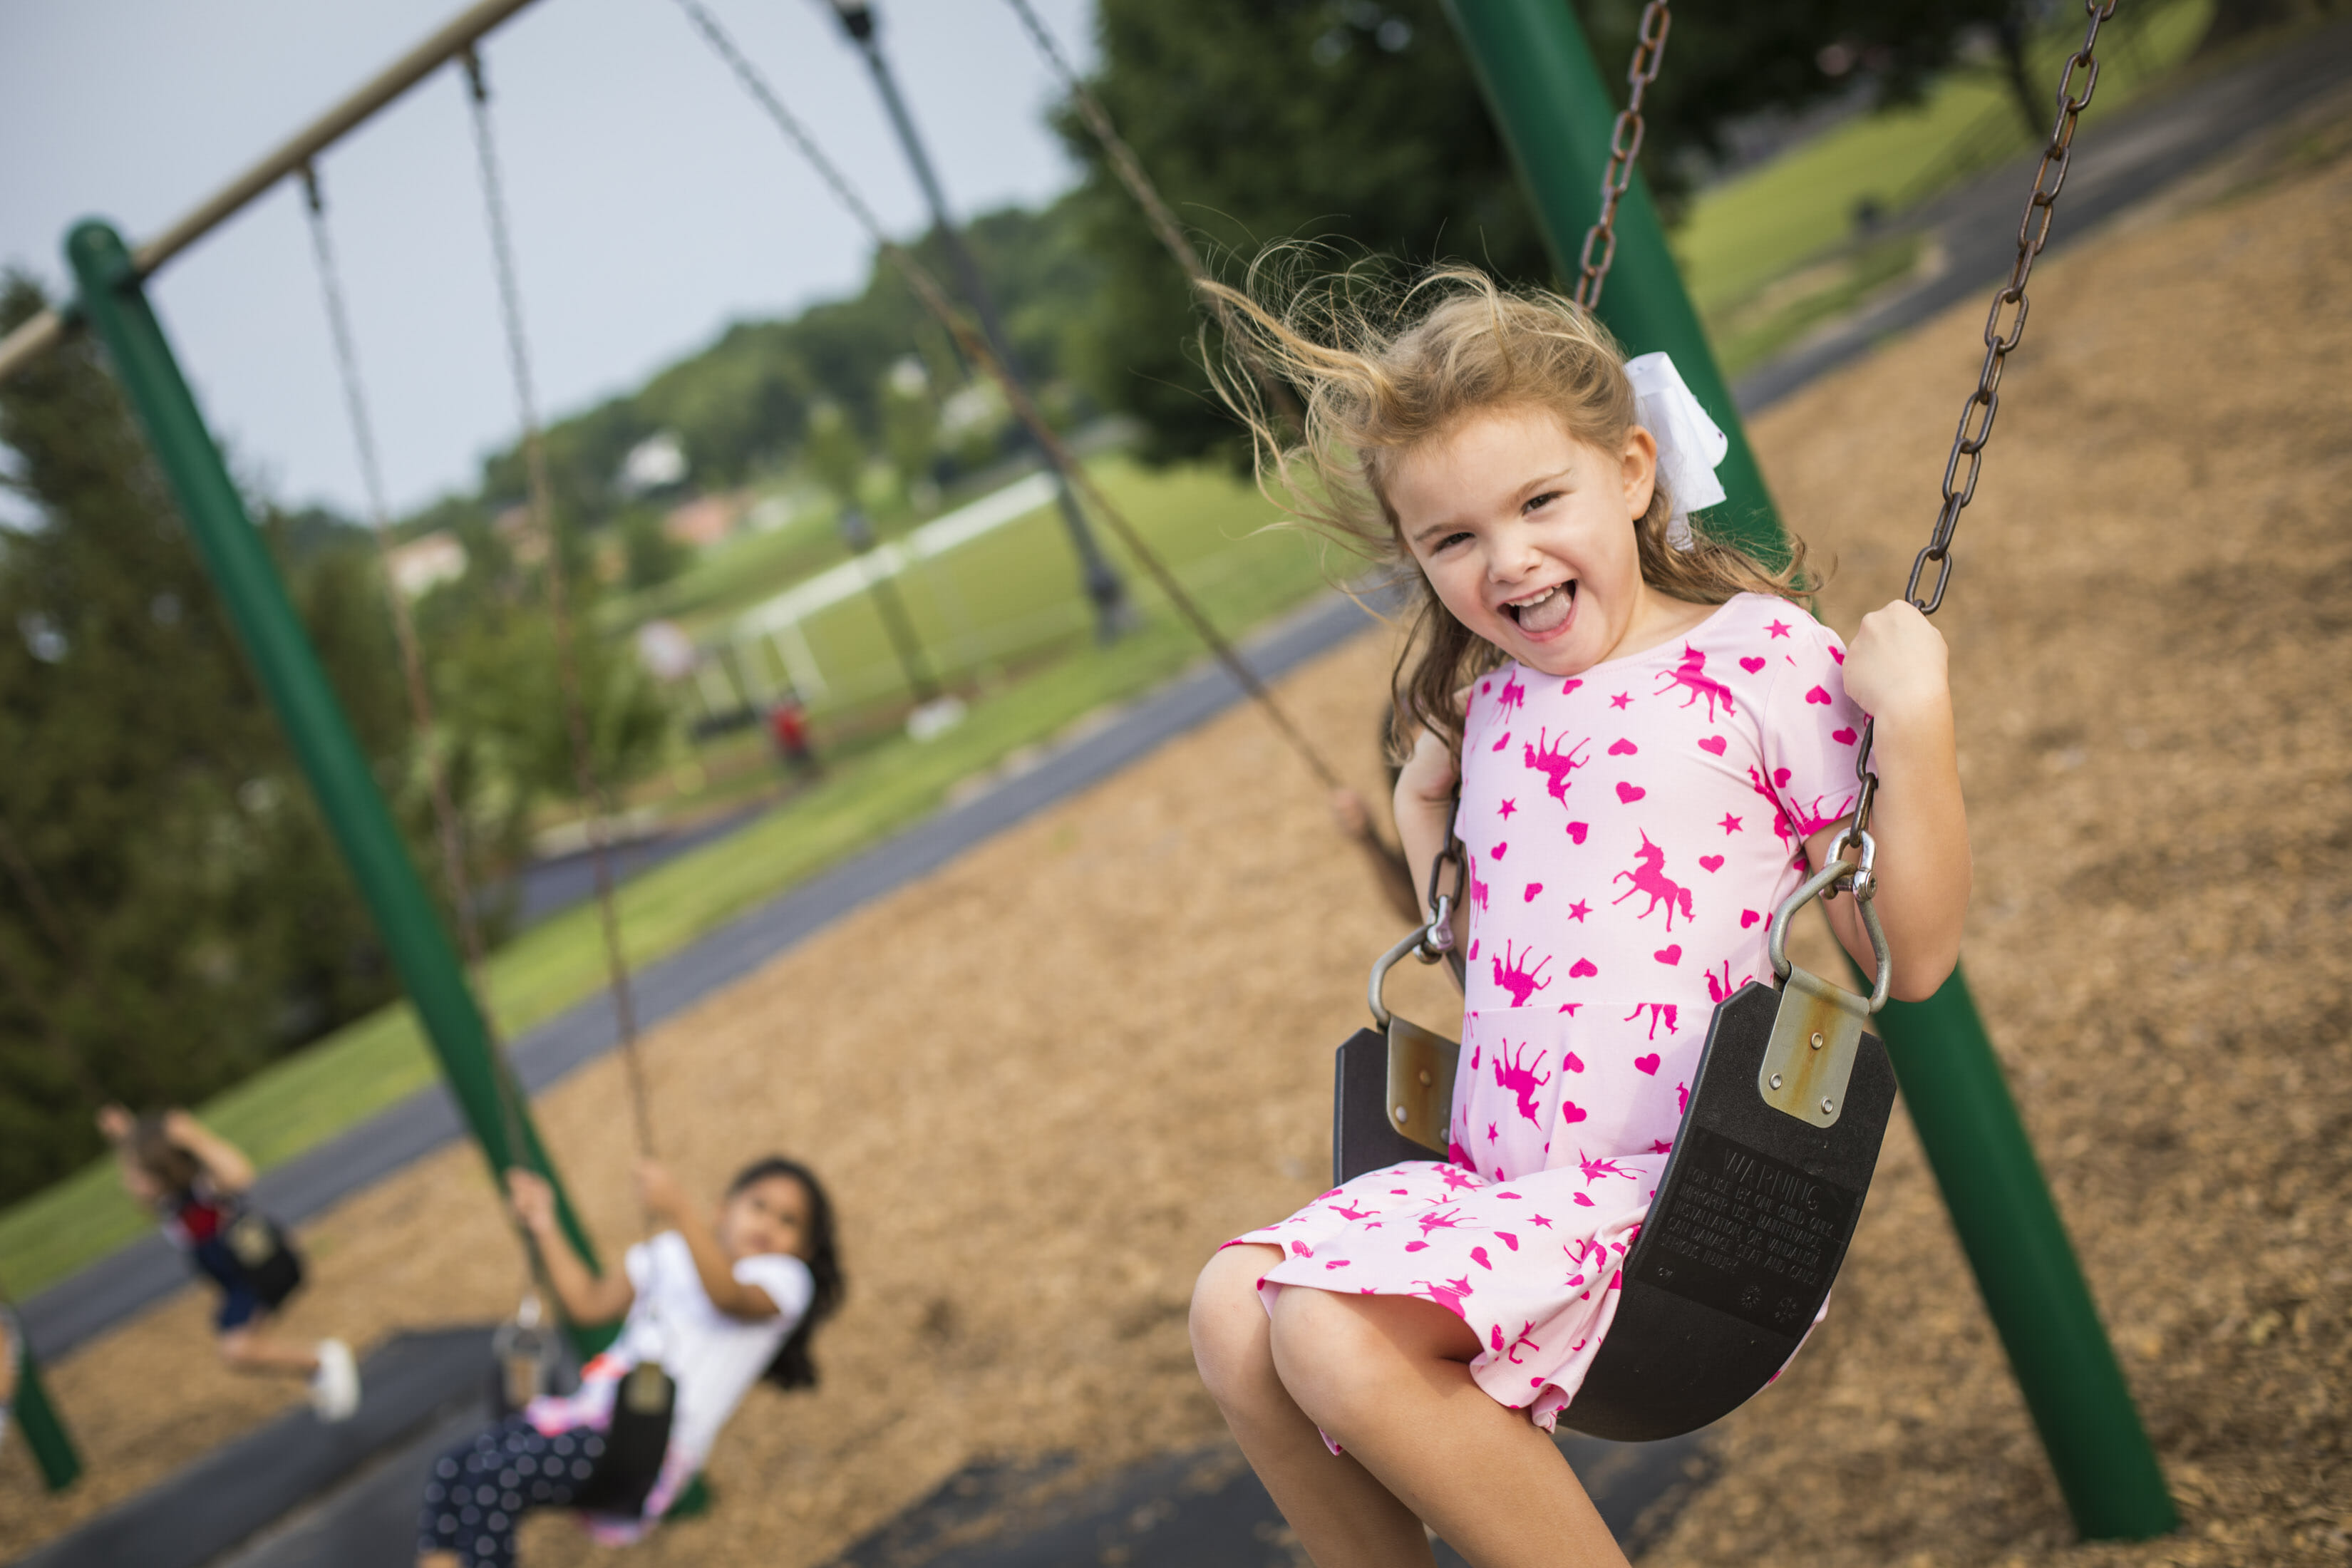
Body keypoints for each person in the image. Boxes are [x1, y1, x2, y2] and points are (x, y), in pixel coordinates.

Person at [1187, 264, 1970, 1567]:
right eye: (1450, 539)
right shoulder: (1488, 707)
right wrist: (1422, 813)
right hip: (1507, 1195)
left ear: (1633, 471)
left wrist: (1920, 726)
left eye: (1541, 501)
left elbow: (1913, 957)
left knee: (1325, 1325)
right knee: (1230, 1312)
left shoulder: (1760, 659)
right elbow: (1493, 954)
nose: (1509, 561)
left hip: (1678, 1202)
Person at [415, 1155, 844, 1568]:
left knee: (497, 1477)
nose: (768, 1223)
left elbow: (730, 1297)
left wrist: (679, 1212)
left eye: (789, 1221)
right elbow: (587, 1303)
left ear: (805, 1249)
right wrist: (544, 1225)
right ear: (723, 1211)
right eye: (759, 1206)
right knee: (455, 1468)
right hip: (586, 1420)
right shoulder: (670, 1253)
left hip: (644, 1443)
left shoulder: (785, 1281)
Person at [98, 1105, 359, 1420]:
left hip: (261, 1268)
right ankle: (316, 1367)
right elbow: (143, 1151)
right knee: (243, 1348)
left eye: (138, 1177)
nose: (129, 1185)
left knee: (237, 1350)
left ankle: (322, 1362)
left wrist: (195, 1137)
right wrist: (125, 1137)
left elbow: (240, 1173)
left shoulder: (204, 1189)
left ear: (163, 1170)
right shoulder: (168, 1205)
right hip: (236, 1279)